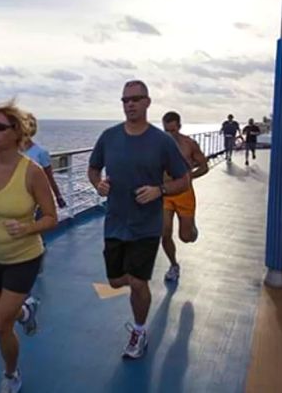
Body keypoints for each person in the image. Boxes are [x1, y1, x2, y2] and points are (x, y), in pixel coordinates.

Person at [88, 80, 190, 359]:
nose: (129, 104)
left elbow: (184, 178)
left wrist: (160, 190)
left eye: (135, 99)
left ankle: (140, 330)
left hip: (146, 225)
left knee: (137, 281)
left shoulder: (162, 141)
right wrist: (98, 184)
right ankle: (135, 295)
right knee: (116, 280)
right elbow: (94, 168)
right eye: (125, 100)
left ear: (147, 102)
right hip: (115, 222)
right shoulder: (109, 137)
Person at [0, 100, 58, 393]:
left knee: (0, 326)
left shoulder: (32, 172)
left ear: (15, 132)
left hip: (23, 258)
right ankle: (26, 311)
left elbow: (51, 217)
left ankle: (11, 374)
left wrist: (27, 227)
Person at [160, 111, 209, 282]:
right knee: (164, 232)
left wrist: (188, 178)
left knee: (186, 237)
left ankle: (192, 230)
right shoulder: (157, 146)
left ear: (179, 127)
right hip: (165, 194)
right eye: (166, 131)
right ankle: (173, 265)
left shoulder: (189, 144)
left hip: (184, 194)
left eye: (173, 130)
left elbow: (204, 167)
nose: (170, 135)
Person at [23, 112, 67, 209]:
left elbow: (49, 178)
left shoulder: (41, 152)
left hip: (34, 200)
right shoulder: (10, 152)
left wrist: (58, 196)